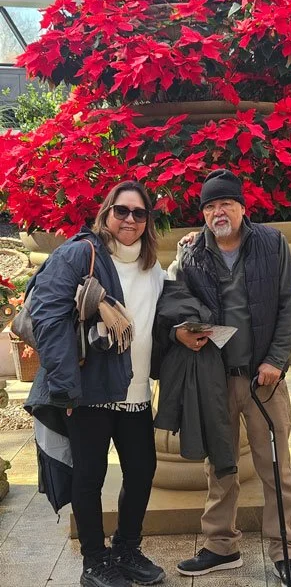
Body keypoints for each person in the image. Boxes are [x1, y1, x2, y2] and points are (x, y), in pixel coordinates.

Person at [168, 169, 291, 587]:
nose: (217, 212)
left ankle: (285, 551)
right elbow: (173, 298)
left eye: (225, 203)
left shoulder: (272, 243)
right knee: (220, 467)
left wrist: (276, 361)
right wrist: (181, 328)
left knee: (275, 468)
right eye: (209, 206)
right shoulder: (191, 252)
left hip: (265, 379)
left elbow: (289, 305)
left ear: (242, 207)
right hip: (216, 379)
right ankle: (219, 547)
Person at [26, 181, 166, 587]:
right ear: (106, 213)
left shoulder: (152, 266)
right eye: (122, 211)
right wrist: (66, 387)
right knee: (89, 477)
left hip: (135, 393)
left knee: (142, 472)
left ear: (148, 221)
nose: (130, 220)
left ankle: (126, 549)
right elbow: (48, 321)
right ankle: (94, 561)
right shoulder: (79, 255)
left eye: (140, 214)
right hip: (88, 394)